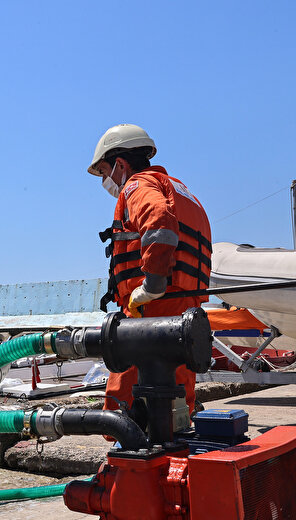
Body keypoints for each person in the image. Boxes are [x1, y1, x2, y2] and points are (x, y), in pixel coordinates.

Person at [87, 124, 212, 423]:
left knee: (122, 408)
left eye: (105, 171)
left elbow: (158, 222)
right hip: (186, 310)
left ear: (120, 163)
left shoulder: (137, 186)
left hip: (152, 310)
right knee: (176, 401)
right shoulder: (182, 192)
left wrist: (152, 285)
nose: (106, 180)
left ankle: (131, 460)